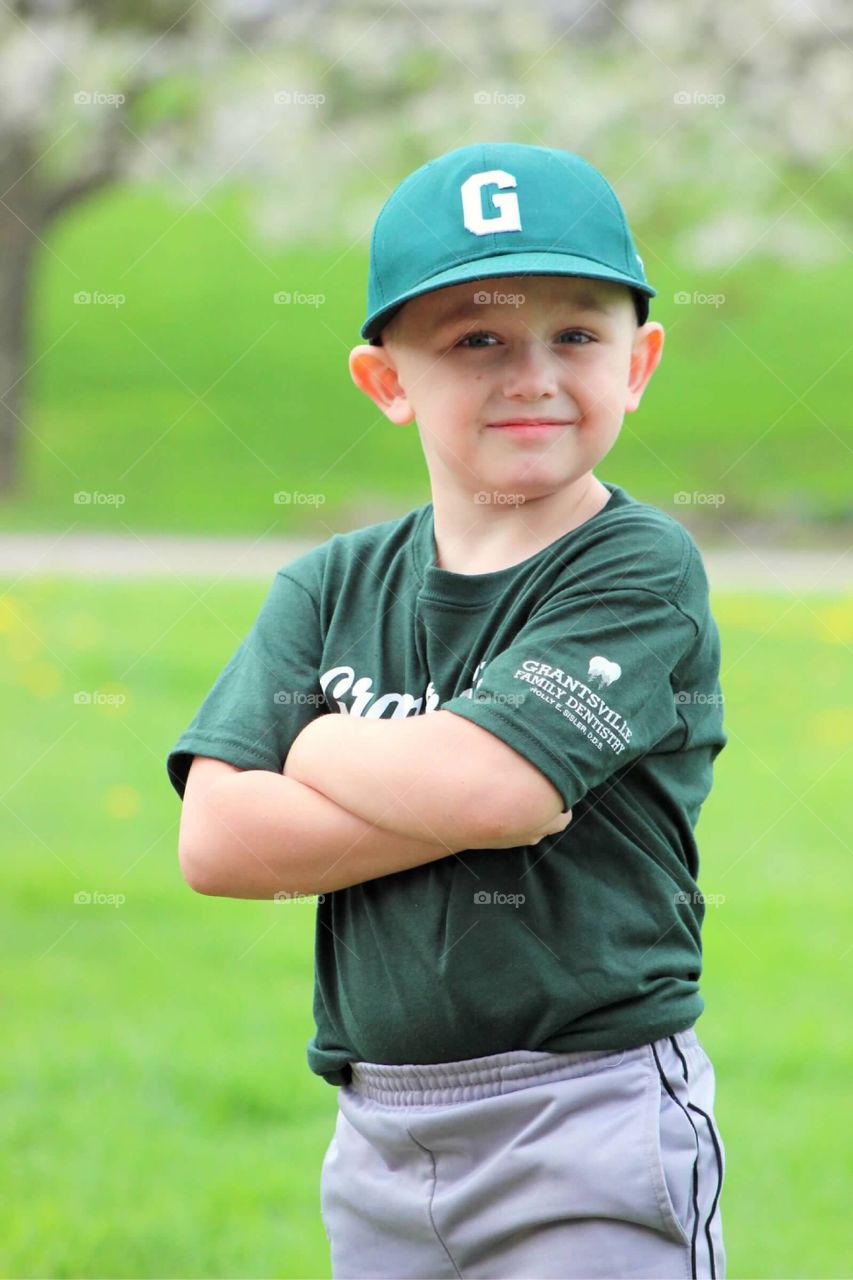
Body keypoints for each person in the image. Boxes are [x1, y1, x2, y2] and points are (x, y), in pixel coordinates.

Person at [167, 141, 728, 1279]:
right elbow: (219, 839)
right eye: (476, 339)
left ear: (639, 362)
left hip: (589, 1114)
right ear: (387, 381)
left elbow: (498, 789)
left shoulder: (634, 566)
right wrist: (445, 782)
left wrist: (319, 742)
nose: (530, 373)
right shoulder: (330, 585)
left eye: (575, 334)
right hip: (377, 1127)